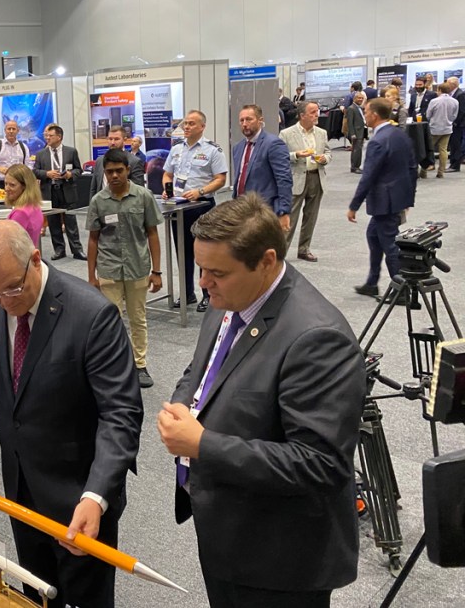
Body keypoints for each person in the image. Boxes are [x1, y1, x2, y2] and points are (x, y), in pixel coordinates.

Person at [158, 195, 364, 608]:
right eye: (200, 269)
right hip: (229, 532)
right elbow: (202, 368)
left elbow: (319, 464)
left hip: (278, 561)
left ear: (267, 261)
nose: (202, 283)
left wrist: (202, 445)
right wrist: (184, 404)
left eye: (215, 272)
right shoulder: (232, 297)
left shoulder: (316, 338)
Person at [0, 220, 143, 608]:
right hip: (20, 486)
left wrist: (96, 495)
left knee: (85, 598)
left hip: (80, 495)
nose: (5, 301)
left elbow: (120, 415)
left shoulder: (92, 315)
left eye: (13, 287)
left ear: (35, 259)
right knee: (35, 590)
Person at [87, 148, 162, 389]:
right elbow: (93, 240)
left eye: (119, 171)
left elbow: (152, 234)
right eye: (110, 172)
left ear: (128, 170)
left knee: (138, 319)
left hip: (138, 267)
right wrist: (91, 276)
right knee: (112, 320)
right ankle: (117, 365)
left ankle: (140, 365)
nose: (114, 176)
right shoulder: (98, 201)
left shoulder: (143, 196)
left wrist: (157, 271)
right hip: (108, 269)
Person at [348, 98, 417, 302]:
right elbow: (413, 168)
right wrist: (407, 198)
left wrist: (354, 206)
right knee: (373, 237)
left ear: (375, 115)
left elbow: (368, 176)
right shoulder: (399, 134)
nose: (365, 115)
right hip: (396, 199)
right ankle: (372, 283)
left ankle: (401, 290)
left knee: (390, 245)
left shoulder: (378, 141)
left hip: (384, 202)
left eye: (366, 112)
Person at [162, 110, 228, 312]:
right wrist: (167, 189)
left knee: (205, 254)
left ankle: (208, 294)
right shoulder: (175, 150)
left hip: (202, 207)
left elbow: (220, 179)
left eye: (191, 123)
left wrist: (200, 191)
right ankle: (187, 293)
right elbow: (167, 174)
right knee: (182, 252)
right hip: (179, 207)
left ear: (202, 126)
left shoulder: (212, 150)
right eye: (185, 124)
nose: (186, 127)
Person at [279, 101, 331, 262]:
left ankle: (304, 249)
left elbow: (328, 151)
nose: (317, 115)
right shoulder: (286, 134)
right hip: (296, 179)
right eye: (313, 112)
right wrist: (296, 155)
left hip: (316, 177)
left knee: (311, 216)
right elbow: (279, 157)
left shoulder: (321, 133)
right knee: (290, 218)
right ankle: (281, 252)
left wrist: (325, 158)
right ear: (302, 116)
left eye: (317, 111)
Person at [231, 104, 293, 232]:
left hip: (264, 210)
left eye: (249, 119)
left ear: (260, 120)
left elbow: (284, 179)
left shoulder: (273, 144)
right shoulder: (238, 148)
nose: (244, 124)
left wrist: (284, 211)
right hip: (241, 209)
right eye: (241, 120)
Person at [34, 124, 85, 261]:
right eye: (46, 136)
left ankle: (77, 250)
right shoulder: (40, 154)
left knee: (71, 222)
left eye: (50, 136)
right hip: (50, 192)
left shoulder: (71, 151)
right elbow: (35, 171)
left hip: (66, 190)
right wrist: (47, 173)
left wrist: (69, 174)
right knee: (53, 223)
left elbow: (78, 170)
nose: (47, 138)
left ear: (59, 137)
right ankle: (59, 250)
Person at [90, 125, 145, 200]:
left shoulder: (134, 162)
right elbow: (94, 188)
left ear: (124, 140)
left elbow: (139, 191)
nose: (112, 142)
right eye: (110, 139)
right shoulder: (99, 161)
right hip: (101, 206)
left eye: (116, 139)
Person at [3, 164, 44, 250]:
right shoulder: (35, 206)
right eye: (6, 184)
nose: (7, 188)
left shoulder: (20, 213)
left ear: (24, 187)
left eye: (12, 185)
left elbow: (11, 245)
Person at [0, 120, 30, 188]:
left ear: (17, 131)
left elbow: (28, 166)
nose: (11, 131)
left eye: (13, 129)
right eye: (9, 129)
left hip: (19, 184)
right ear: (5, 130)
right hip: (0, 184)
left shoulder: (23, 147)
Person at [426, 83, 459, 178]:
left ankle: (423, 171)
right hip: (447, 128)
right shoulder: (455, 101)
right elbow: (454, 116)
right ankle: (441, 172)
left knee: (428, 149)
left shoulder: (434, 101)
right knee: (443, 150)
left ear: (439, 90)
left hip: (434, 129)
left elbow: (428, 115)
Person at [346, 92, 367, 173]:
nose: (361, 99)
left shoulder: (360, 108)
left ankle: (357, 166)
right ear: (354, 98)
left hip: (361, 132)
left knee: (359, 150)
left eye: (362, 98)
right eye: (359, 98)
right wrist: (352, 134)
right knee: (356, 150)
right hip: (356, 133)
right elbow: (350, 123)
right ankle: (354, 167)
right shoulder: (351, 108)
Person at [447, 76, 465, 172]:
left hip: (458, 125)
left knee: (456, 145)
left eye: (448, 83)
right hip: (453, 123)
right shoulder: (452, 94)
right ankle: (452, 163)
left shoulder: (460, 94)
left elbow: (462, 111)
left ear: (453, 85)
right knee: (453, 145)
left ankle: (455, 165)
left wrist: (455, 122)